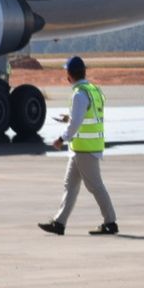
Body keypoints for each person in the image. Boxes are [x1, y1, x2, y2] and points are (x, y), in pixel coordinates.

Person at [39, 55, 119, 237]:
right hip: (81, 148)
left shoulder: (79, 94)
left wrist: (61, 138)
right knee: (70, 185)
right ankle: (59, 223)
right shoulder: (93, 90)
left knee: (95, 186)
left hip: (85, 148)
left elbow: (76, 124)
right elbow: (87, 116)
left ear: (70, 75)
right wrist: (70, 119)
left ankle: (110, 222)